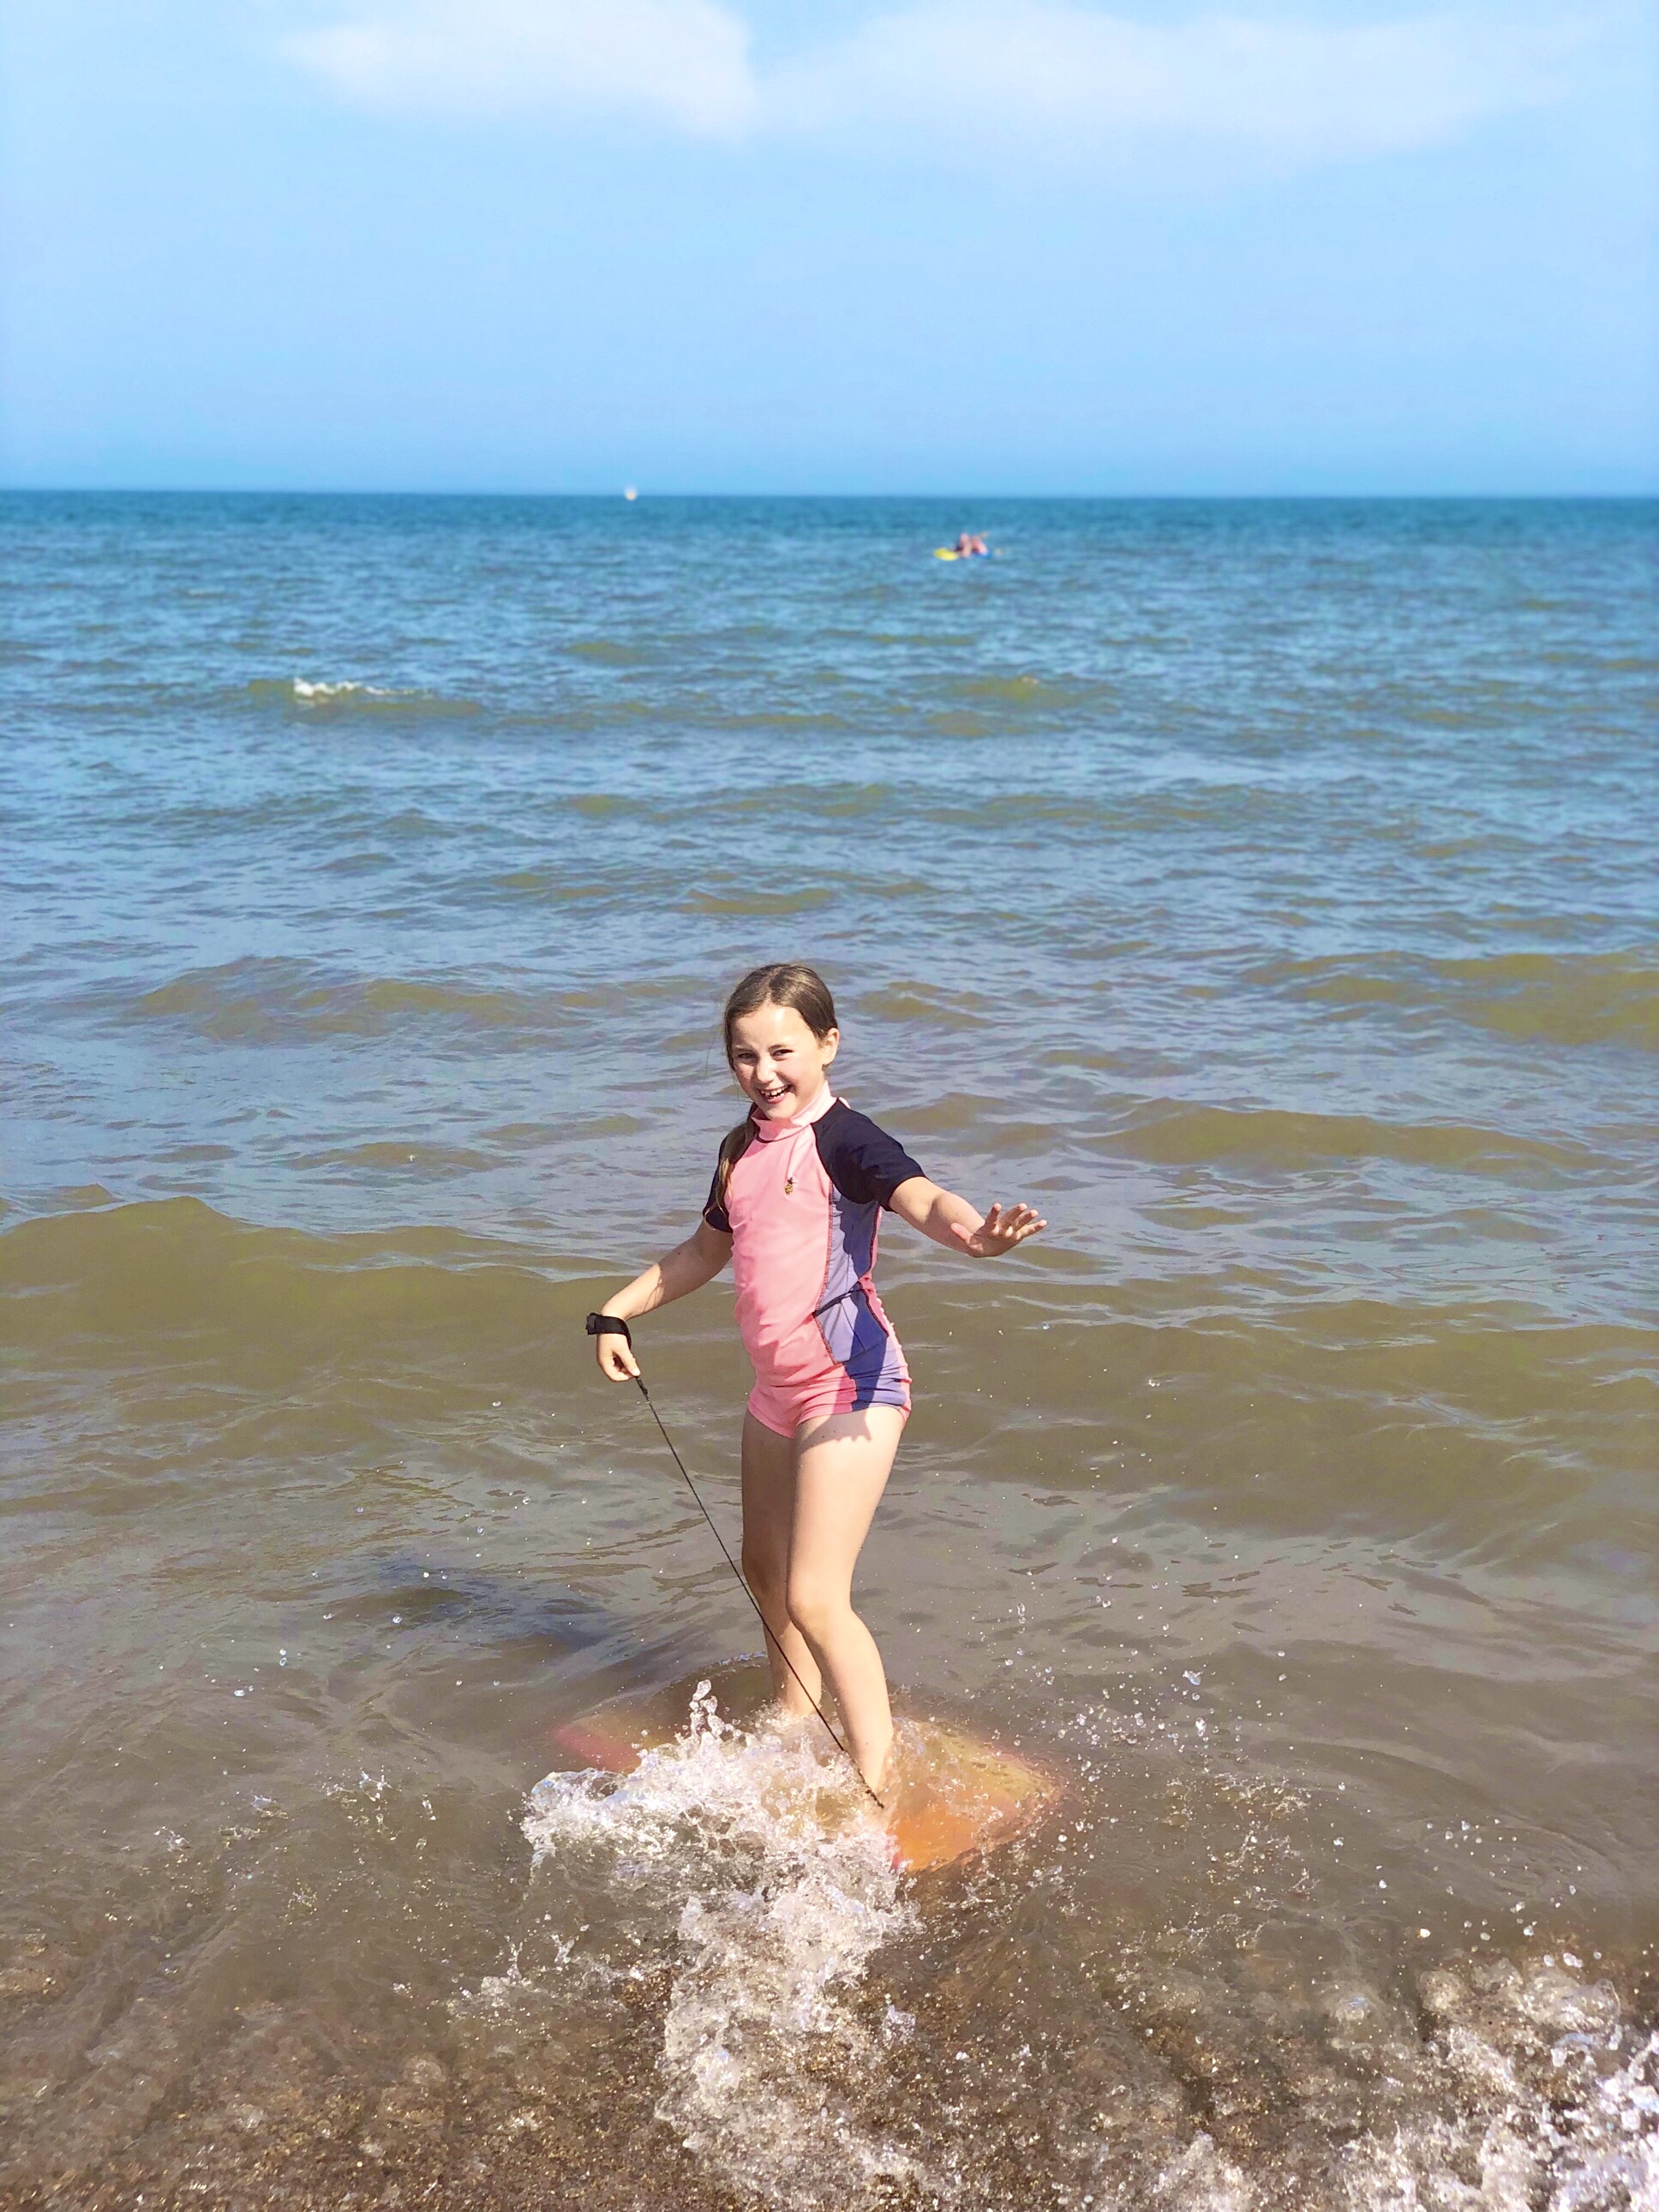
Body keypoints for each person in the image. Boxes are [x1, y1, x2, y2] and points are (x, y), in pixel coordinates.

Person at [589, 962, 1045, 1795]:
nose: (764, 1073)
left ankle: (876, 1783)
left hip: (851, 1382)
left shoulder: (847, 1140)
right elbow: (704, 1250)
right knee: (764, 1572)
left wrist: (974, 1236)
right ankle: (793, 1721)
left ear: (828, 1043)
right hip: (776, 1391)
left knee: (814, 1595)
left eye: (782, 1051)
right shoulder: (739, 1149)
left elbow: (921, 1196)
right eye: (744, 1055)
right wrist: (615, 1311)